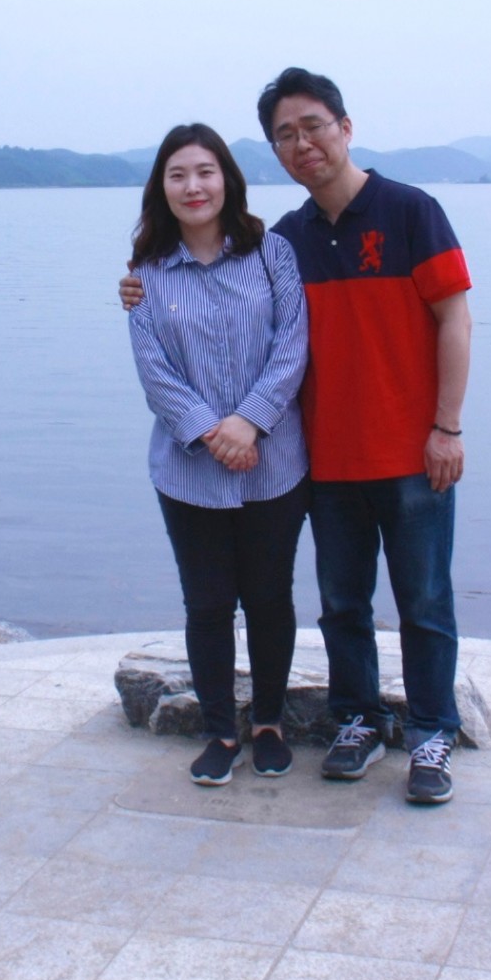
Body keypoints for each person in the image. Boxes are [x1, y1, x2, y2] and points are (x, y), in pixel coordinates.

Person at [122, 73, 471, 804]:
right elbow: (178, 350)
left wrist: (447, 426)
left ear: (345, 126)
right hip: (329, 458)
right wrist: (139, 292)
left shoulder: (408, 212)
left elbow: (452, 319)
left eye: (313, 126)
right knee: (340, 603)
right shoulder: (289, 238)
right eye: (286, 134)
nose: (302, 143)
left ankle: (432, 733)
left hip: (408, 452)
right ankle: (358, 720)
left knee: (424, 602)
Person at [127, 123, 309, 787]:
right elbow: (155, 373)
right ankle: (219, 731)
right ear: (162, 188)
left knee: (269, 598)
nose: (193, 186)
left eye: (205, 171)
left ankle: (268, 723)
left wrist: (250, 422)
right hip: (189, 471)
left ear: (227, 179)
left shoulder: (272, 254)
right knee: (206, 604)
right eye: (178, 175)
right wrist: (213, 432)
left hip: (274, 464)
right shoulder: (146, 274)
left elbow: (293, 344)